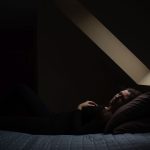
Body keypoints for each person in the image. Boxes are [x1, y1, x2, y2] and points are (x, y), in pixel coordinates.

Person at [0, 85, 142, 134]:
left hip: (52, 126)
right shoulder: (105, 109)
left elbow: (77, 131)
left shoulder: (105, 116)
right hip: (53, 117)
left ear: (125, 105)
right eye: (119, 93)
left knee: (6, 122)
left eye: (122, 98)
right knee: (21, 89)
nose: (117, 97)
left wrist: (79, 109)